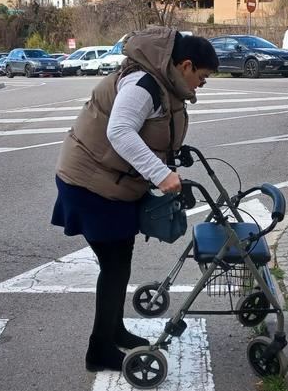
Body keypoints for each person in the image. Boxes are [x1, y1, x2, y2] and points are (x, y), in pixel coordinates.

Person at [51, 27, 219, 372]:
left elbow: (149, 130)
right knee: (113, 265)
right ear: (185, 65)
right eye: (202, 77)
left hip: (111, 183)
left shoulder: (164, 83)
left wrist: (172, 155)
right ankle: (99, 350)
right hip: (90, 183)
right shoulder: (143, 84)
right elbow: (120, 131)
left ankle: (113, 330)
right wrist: (162, 175)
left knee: (119, 263)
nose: (203, 84)